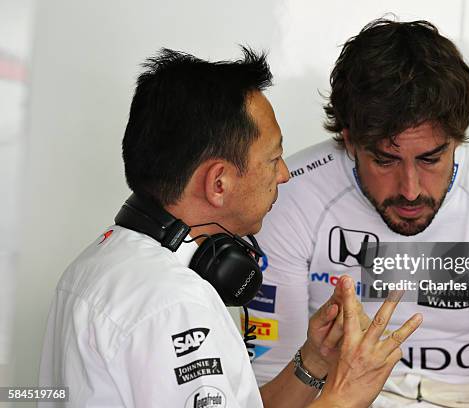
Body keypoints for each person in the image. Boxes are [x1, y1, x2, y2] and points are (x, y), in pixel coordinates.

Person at [38, 48, 424, 407]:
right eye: (273, 160)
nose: (285, 175)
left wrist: (315, 361)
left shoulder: (104, 261)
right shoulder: (175, 305)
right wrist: (346, 394)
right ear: (218, 183)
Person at [248, 19, 469, 408]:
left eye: (431, 158)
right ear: (349, 141)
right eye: (385, 160)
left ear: (459, 137)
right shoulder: (287, 197)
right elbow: (270, 388)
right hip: (337, 393)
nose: (410, 189)